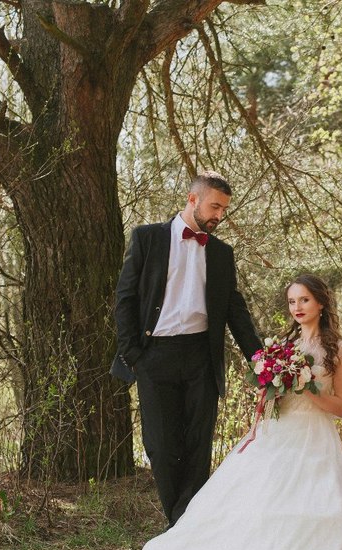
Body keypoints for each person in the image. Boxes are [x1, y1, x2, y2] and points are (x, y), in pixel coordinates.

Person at [124, 274, 342, 550]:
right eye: (292, 301)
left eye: (304, 300)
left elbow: (339, 407)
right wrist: (271, 389)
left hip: (313, 435)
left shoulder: (339, 350)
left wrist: (306, 387)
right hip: (277, 431)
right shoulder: (285, 347)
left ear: (321, 302)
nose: (297, 307)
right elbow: (273, 397)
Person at [111, 171, 263, 527]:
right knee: (161, 447)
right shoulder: (148, 238)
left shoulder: (222, 253)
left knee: (198, 447)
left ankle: (185, 528)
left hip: (201, 357)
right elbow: (125, 297)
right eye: (214, 207)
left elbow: (235, 312)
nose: (219, 215)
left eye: (224, 210)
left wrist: (262, 362)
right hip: (154, 356)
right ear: (193, 199)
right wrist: (134, 355)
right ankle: (179, 520)